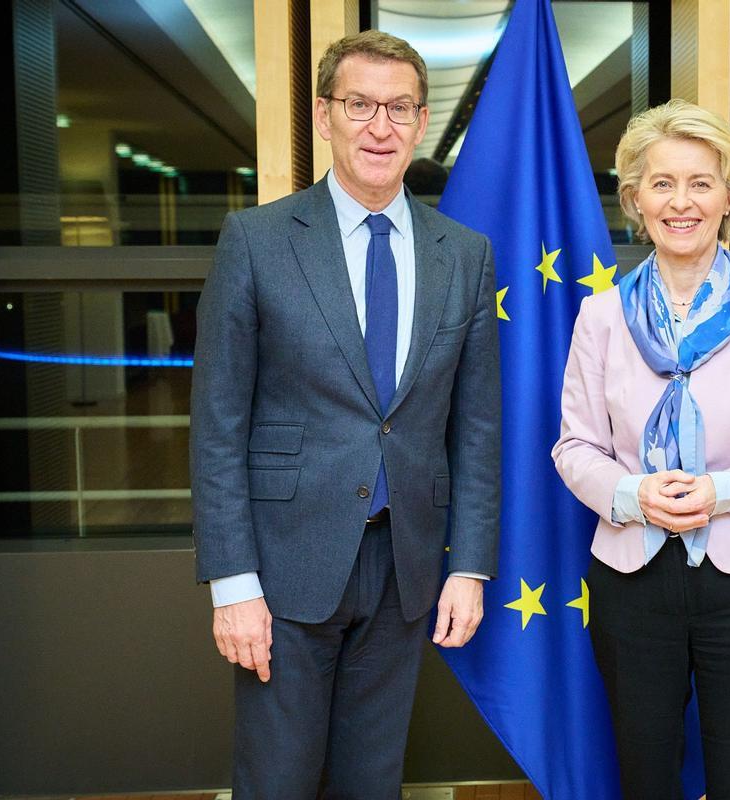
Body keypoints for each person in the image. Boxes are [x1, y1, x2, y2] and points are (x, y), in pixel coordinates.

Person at [189, 30, 501, 800]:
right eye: (360, 105)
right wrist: (232, 582)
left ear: (421, 122)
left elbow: (476, 428)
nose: (379, 126)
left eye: (399, 108)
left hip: (406, 568)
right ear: (325, 115)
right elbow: (218, 426)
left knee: (373, 782)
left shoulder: (464, 254)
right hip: (283, 567)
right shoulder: (256, 241)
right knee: (278, 782)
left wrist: (469, 566)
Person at [552, 99, 730, 800]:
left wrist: (722, 492)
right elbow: (575, 446)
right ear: (635, 200)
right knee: (645, 775)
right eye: (662, 183)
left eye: (701, 183)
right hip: (632, 578)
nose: (681, 202)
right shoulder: (600, 316)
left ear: (729, 198)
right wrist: (632, 495)